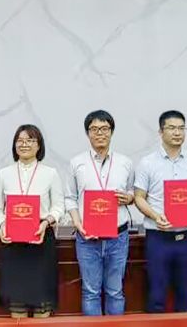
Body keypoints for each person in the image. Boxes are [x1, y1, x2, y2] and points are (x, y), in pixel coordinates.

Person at [134, 110, 187, 313]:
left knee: (185, 294)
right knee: (157, 294)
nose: (177, 133)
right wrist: (155, 216)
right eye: (172, 128)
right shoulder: (147, 163)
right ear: (160, 131)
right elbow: (139, 197)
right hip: (159, 237)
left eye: (181, 128)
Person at [0, 124, 65, 318]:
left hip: (40, 239)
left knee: (41, 303)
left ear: (39, 146)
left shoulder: (50, 173)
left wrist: (46, 222)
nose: (24, 145)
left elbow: (59, 207)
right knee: (17, 303)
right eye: (20, 141)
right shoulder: (3, 174)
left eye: (30, 140)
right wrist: (1, 225)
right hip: (12, 243)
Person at [66, 110, 135, 316]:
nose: (100, 133)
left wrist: (129, 198)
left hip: (118, 237)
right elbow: (70, 197)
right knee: (90, 292)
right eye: (94, 129)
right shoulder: (76, 162)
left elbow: (133, 192)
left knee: (115, 291)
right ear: (87, 133)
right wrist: (77, 223)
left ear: (111, 132)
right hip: (87, 237)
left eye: (105, 129)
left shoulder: (125, 162)